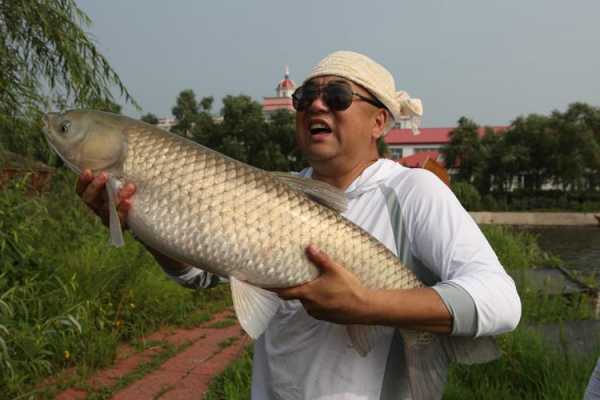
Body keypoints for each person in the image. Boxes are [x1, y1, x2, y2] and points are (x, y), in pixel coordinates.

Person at [77, 51, 521, 399]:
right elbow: (201, 275)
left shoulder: (412, 190)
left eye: (339, 97)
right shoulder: (278, 190)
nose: (316, 106)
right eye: (304, 98)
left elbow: (501, 300)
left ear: (379, 121)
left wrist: (365, 305)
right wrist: (141, 225)